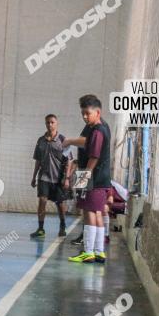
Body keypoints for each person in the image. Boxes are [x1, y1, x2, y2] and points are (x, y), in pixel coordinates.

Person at [63, 95, 111, 263]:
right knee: (97, 212)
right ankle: (98, 251)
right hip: (101, 179)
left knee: (88, 212)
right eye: (82, 113)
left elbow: (94, 155)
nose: (84, 117)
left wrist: (84, 176)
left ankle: (88, 251)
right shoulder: (102, 127)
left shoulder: (97, 130)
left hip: (93, 178)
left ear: (98, 112)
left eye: (87, 113)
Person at [31, 114, 70, 238]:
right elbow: (37, 160)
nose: (50, 124)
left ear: (56, 123)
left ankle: (63, 226)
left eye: (52, 122)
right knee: (42, 200)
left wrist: (67, 178)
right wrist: (33, 176)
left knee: (60, 204)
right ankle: (41, 229)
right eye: (48, 122)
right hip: (44, 177)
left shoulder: (63, 140)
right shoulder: (40, 140)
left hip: (58, 179)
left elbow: (69, 161)